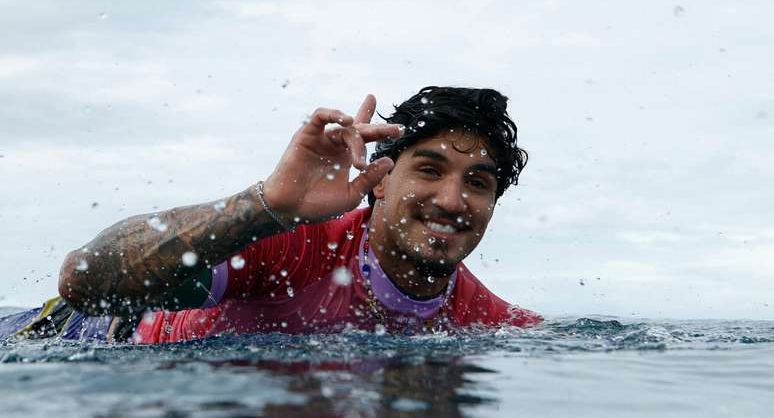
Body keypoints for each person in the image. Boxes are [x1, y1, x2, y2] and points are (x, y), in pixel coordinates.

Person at [1, 86, 541, 343]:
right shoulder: (297, 248)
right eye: (429, 170)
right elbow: (84, 280)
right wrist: (267, 207)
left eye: (477, 182)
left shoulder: (492, 322)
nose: (451, 200)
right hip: (84, 340)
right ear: (379, 183)